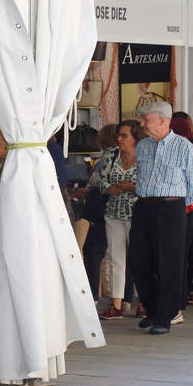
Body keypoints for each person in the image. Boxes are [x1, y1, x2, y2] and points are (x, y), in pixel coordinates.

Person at [129, 101, 193, 335]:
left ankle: (165, 317)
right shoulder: (143, 146)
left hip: (172, 208)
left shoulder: (184, 147)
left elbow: (192, 184)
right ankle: (154, 310)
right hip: (143, 207)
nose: (142, 124)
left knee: (169, 264)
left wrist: (178, 210)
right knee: (138, 261)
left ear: (163, 121)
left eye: (146, 120)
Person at [98, 120, 142, 320]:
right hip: (113, 212)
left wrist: (131, 187)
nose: (119, 139)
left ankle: (143, 302)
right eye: (119, 135)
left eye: (125, 135)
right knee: (116, 258)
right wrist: (108, 188)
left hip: (138, 214)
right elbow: (98, 179)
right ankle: (116, 304)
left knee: (141, 259)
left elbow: (152, 183)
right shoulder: (112, 154)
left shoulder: (145, 156)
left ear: (136, 138)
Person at [81, 125, 119, 303]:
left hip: (102, 209)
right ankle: (124, 298)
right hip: (122, 208)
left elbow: (95, 183)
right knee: (122, 254)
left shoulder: (106, 158)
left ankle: (93, 295)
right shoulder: (129, 156)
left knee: (93, 251)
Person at [170, 111, 193, 313]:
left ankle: (181, 296)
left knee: (180, 255)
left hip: (183, 207)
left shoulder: (179, 148)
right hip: (189, 206)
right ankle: (186, 293)